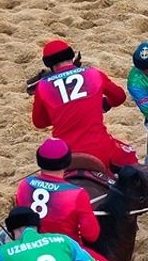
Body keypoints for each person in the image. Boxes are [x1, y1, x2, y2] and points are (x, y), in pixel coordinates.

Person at [30, 38, 138, 171]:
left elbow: (39, 123)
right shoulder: (93, 73)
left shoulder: (43, 86)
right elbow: (119, 97)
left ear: (49, 65)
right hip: (100, 148)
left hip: (64, 155)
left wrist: (60, 113)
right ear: (71, 56)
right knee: (132, 161)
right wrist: (105, 103)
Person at [15, 138, 100, 245]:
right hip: (63, 251)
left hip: (29, 246)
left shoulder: (24, 184)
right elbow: (92, 235)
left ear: (39, 161)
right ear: (68, 162)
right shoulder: (77, 193)